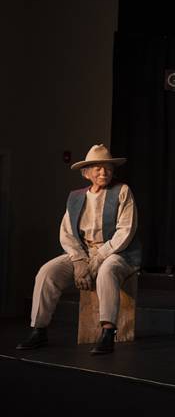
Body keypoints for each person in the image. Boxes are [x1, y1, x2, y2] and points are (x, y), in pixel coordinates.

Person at [16, 144, 141, 355]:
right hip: (83, 252)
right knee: (47, 272)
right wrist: (79, 260)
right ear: (86, 173)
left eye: (108, 168)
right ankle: (39, 329)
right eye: (98, 168)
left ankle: (107, 333)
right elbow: (67, 233)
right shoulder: (75, 197)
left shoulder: (122, 191)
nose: (104, 172)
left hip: (117, 252)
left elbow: (125, 231)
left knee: (107, 270)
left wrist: (98, 259)